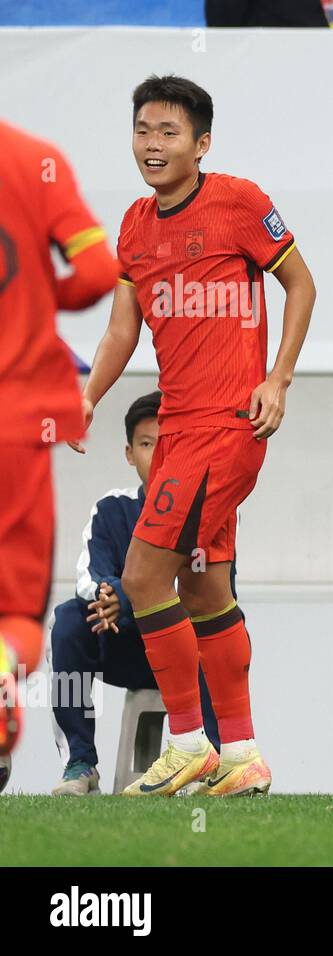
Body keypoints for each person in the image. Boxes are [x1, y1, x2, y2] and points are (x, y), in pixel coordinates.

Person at [73, 74, 317, 797]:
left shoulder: (239, 202)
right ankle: (242, 754)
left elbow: (301, 284)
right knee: (206, 588)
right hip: (177, 426)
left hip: (228, 426)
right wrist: (87, 398)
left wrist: (279, 378)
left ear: (201, 144)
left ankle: (187, 742)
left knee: (147, 577)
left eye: (168, 132)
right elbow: (124, 328)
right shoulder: (134, 227)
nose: (152, 143)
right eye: (143, 130)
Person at [0, 119, 118, 793]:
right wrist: (46, 294)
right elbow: (100, 271)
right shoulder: (34, 161)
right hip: (16, 425)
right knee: (17, 613)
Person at [50, 391, 227, 795]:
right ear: (130, 454)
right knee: (69, 620)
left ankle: (215, 762)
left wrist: (125, 601)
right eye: (148, 445)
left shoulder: (210, 509)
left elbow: (204, 592)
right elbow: (89, 575)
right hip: (126, 648)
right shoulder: (111, 509)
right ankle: (80, 763)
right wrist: (107, 598)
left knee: (213, 629)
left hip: (186, 657)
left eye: (170, 445)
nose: (159, 456)